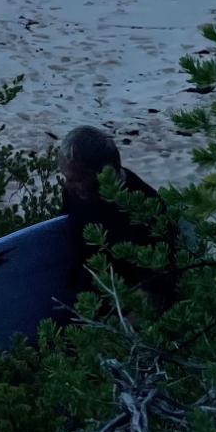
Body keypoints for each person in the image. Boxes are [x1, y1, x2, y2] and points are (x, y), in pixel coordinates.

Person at [57, 125, 174, 312]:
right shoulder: (75, 193)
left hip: (123, 308)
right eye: (67, 178)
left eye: (77, 179)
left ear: (105, 172)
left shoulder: (145, 208)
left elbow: (156, 287)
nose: (68, 185)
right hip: (82, 300)